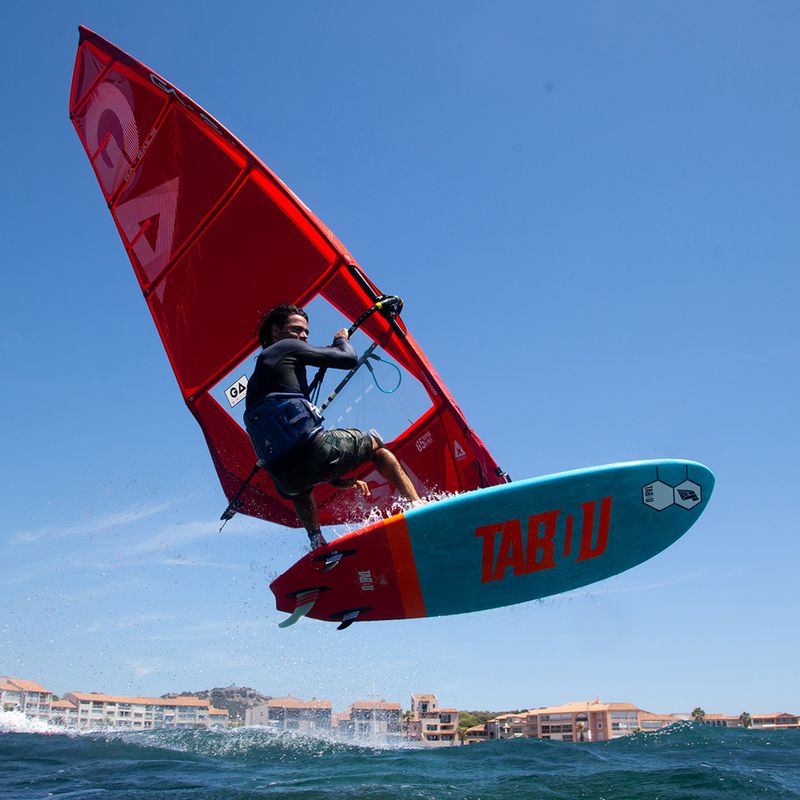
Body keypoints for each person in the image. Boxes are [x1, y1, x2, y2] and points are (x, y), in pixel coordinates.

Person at [244, 303, 421, 549]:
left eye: (306, 331)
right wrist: (341, 340)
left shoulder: (260, 379)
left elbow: (296, 452)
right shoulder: (286, 347)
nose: (303, 336)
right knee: (376, 446)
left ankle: (317, 543)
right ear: (275, 331)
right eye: (296, 329)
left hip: (284, 477)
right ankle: (417, 507)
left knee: (301, 489)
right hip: (313, 450)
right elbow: (348, 358)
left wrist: (337, 478)